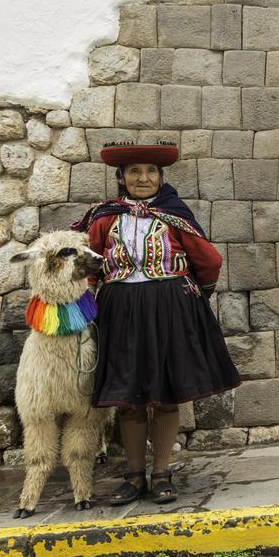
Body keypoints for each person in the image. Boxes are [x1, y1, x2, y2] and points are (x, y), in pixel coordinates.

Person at [74, 141, 242, 505]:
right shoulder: (105, 218)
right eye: (135, 171)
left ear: (160, 177)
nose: (144, 178)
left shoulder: (173, 215)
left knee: (166, 396)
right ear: (121, 178)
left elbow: (208, 260)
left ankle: (162, 472)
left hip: (169, 310)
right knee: (129, 398)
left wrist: (193, 295)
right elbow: (88, 263)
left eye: (151, 171)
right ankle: (134, 475)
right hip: (119, 311)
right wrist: (86, 303)